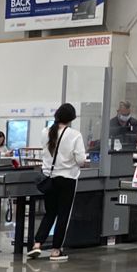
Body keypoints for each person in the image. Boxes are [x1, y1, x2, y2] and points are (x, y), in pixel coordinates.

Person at [29, 103, 87, 262]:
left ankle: (37, 244)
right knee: (63, 215)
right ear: (71, 119)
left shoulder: (45, 132)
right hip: (67, 178)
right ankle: (56, 250)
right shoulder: (75, 135)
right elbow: (81, 160)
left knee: (50, 213)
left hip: (49, 178)